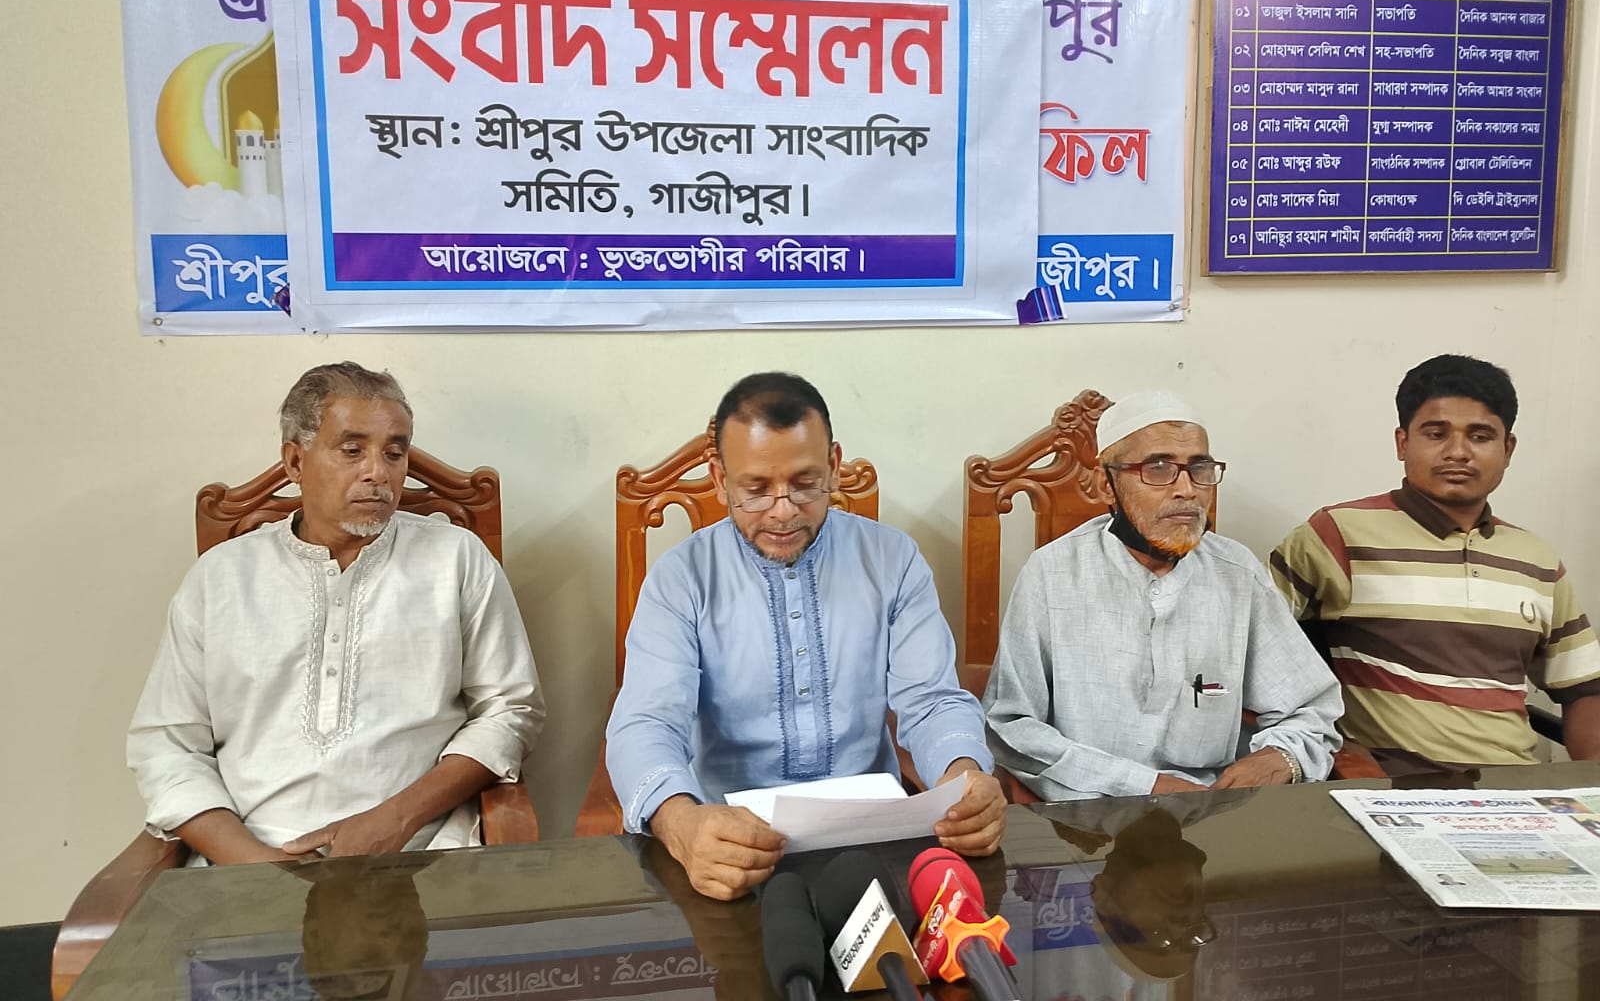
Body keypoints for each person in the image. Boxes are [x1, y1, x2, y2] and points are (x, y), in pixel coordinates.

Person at [606, 372, 1003, 900]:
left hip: (873, 839)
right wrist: (680, 822)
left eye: (804, 482)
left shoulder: (893, 561)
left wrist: (963, 776)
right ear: (720, 480)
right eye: (756, 490)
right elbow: (646, 723)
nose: (783, 509)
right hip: (730, 851)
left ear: (834, 466)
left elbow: (931, 702)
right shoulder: (682, 579)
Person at [127, 362, 544, 863]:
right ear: (295, 461)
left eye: (394, 453)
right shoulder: (221, 577)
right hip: (248, 859)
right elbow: (168, 743)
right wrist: (254, 863)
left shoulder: (455, 558)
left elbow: (511, 710)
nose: (378, 472)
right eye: (352, 450)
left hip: (420, 849)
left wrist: (396, 820)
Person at [983, 391, 1342, 800]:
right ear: (1106, 485)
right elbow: (1010, 725)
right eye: (1158, 468)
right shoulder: (1053, 573)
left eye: (1199, 469)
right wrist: (1143, 785)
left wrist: (1281, 756)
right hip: (1090, 812)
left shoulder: (1237, 573)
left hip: (1210, 811)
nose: (1187, 490)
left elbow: (1312, 709)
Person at [1271, 354, 1600, 774]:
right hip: (1392, 787)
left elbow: (1583, 688)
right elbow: (1238, 649)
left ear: (1507, 450)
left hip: (1515, 789)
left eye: (1480, 436)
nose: (1458, 452)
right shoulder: (1336, 535)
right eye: (1436, 433)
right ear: (1402, 442)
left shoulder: (1536, 560)